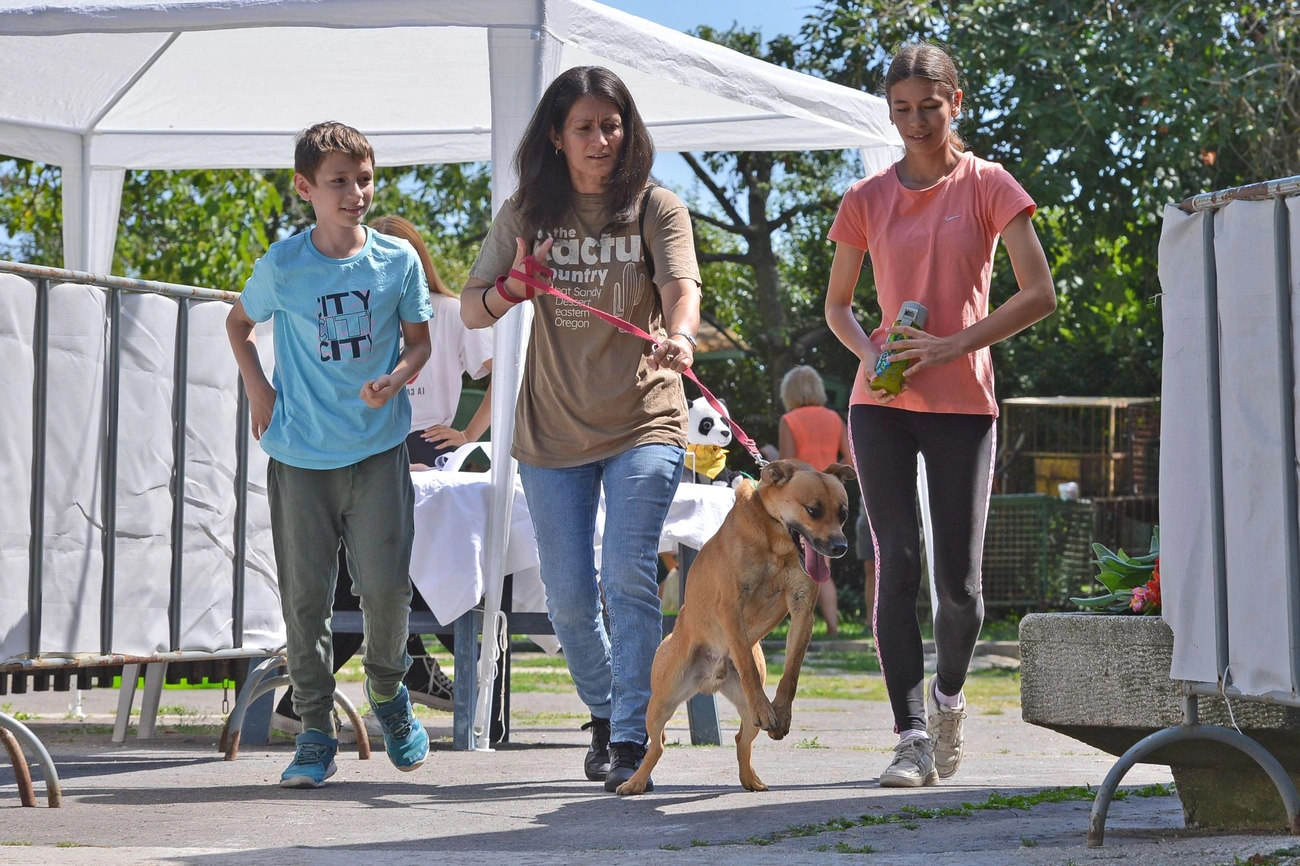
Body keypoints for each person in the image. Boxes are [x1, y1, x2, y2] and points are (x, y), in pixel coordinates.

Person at [461, 65, 701, 793]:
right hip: (551, 430)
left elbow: (681, 287)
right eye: (586, 127)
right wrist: (515, 287)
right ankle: (606, 712)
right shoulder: (528, 212)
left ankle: (633, 734)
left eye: (612, 123)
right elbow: (473, 307)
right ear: (557, 139)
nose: (602, 139)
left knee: (626, 577)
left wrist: (681, 337)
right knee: (566, 596)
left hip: (645, 419)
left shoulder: (656, 207)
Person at [824, 44, 1056, 789]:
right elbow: (837, 307)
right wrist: (868, 353)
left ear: (956, 99)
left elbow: (1038, 292)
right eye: (901, 109)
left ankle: (948, 700)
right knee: (897, 560)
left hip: (963, 403)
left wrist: (954, 343)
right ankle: (910, 735)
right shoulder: (865, 198)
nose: (916, 121)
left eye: (930, 105)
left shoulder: (989, 184)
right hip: (882, 405)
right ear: (888, 111)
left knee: (958, 585)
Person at [225, 121, 434, 788]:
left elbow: (420, 344)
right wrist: (258, 387)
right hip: (299, 459)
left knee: (386, 592)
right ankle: (315, 731)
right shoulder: (283, 265)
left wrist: (396, 379)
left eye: (364, 178)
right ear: (305, 187)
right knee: (305, 601)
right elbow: (239, 324)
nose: (355, 192)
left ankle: (389, 693)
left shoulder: (397, 262)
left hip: (377, 455)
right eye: (339, 181)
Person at [269, 214, 494, 740]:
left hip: (423, 444)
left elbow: (504, 374)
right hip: (363, 440)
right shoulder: (357, 296)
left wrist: (465, 434)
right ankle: (398, 679)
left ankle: (408, 682)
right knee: (359, 574)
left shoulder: (446, 311)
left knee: (395, 574)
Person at [778, 365, 853, 637]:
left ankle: (796, 629)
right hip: (831, 499)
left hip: (805, 503)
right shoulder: (834, 418)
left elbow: (788, 466)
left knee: (794, 564)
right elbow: (852, 459)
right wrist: (829, 475)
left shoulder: (790, 420)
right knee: (823, 567)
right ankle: (833, 628)